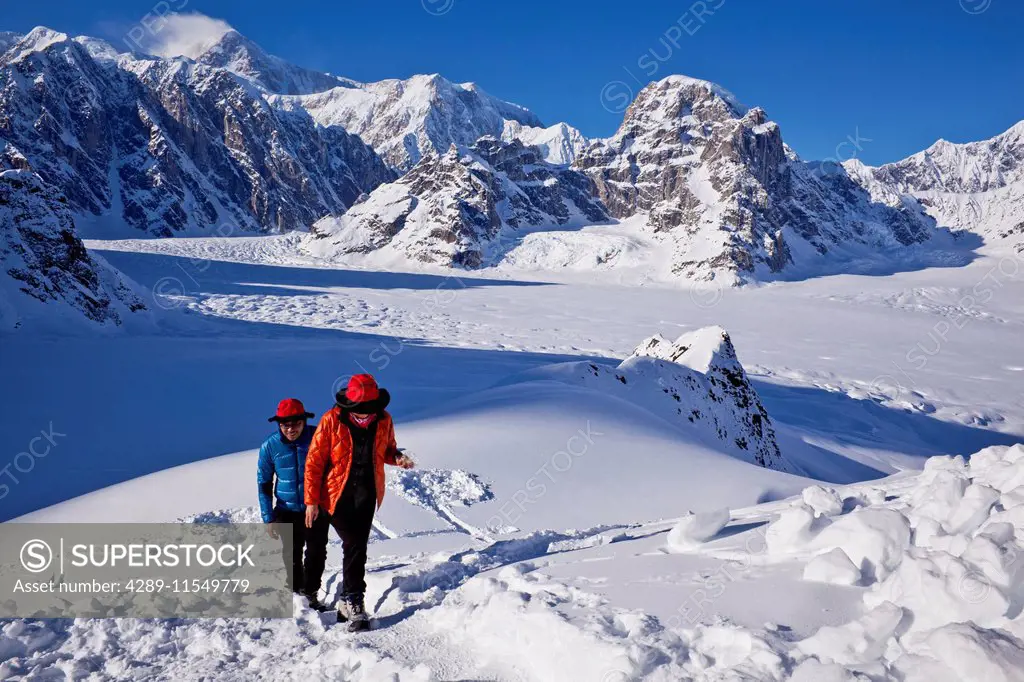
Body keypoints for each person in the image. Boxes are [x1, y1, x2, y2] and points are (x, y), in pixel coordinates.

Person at [304, 374, 414, 631]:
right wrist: (311, 500)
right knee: (350, 543)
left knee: (357, 548)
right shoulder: (331, 420)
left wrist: (398, 458)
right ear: (348, 407)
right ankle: (349, 599)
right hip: (336, 493)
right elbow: (314, 461)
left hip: (367, 492)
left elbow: (387, 449)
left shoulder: (384, 420)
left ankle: (350, 600)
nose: (364, 416)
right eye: (359, 412)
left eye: (369, 411)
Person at [257, 398, 331, 611]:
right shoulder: (269, 446)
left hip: (316, 507)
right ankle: (295, 594)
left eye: (296, 424)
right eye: (285, 425)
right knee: (291, 553)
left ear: (303, 421)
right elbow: (264, 482)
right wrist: (268, 517)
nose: (291, 429)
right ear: (279, 424)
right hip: (286, 509)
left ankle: (311, 594)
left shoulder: (318, 437)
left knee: (316, 552)